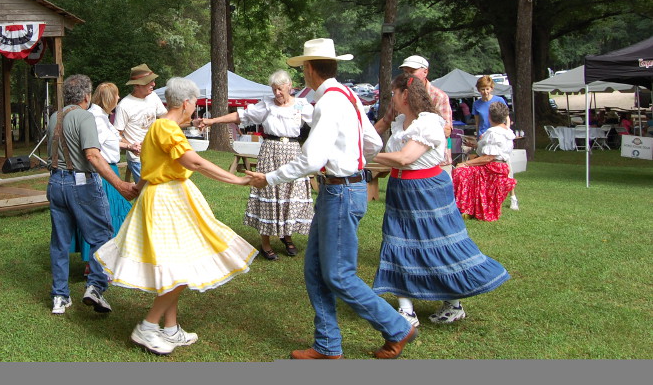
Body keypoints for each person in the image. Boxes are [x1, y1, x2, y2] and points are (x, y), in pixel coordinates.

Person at [246, 38, 417, 360]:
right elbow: (369, 141)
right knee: (314, 270)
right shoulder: (349, 95)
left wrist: (267, 177)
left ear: (310, 69)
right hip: (341, 189)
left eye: (302, 70)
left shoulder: (327, 102)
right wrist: (353, 166)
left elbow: (310, 160)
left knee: (338, 274)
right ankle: (327, 345)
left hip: (339, 191)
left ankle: (397, 327)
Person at [95, 77, 255, 356]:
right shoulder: (167, 128)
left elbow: (149, 166)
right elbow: (193, 161)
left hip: (170, 197)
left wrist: (137, 187)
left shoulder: (160, 127)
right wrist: (238, 180)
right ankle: (148, 326)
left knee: (179, 263)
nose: (195, 107)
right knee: (178, 267)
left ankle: (169, 328)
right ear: (186, 103)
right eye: (194, 102)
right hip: (167, 201)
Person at [373, 73, 510, 328]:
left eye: (394, 93)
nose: (392, 97)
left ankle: (454, 303)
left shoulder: (428, 123)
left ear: (406, 94)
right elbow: (397, 160)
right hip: (400, 188)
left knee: (437, 244)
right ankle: (406, 310)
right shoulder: (401, 122)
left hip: (427, 189)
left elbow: (405, 157)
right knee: (397, 241)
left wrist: (367, 157)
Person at [47, 74, 140, 316]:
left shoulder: (55, 117)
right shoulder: (85, 117)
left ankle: (59, 296)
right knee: (102, 235)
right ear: (87, 96)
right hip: (81, 183)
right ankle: (96, 286)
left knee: (60, 241)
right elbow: (92, 155)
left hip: (55, 182)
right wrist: (119, 184)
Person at [198, 69, 314, 260]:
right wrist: (212, 120)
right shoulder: (266, 105)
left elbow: (319, 122)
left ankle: (286, 235)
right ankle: (266, 241)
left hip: (293, 152)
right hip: (271, 150)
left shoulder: (302, 105)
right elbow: (239, 117)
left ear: (289, 87)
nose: (276, 93)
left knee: (290, 194)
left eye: (280, 89)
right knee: (267, 192)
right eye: (273, 89)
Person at [71, 83, 136, 273]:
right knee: (106, 217)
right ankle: (95, 264)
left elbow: (112, 139)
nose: (119, 98)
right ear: (109, 98)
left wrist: (130, 146)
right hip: (103, 173)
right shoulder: (97, 119)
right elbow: (93, 149)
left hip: (110, 169)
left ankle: (106, 261)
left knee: (115, 215)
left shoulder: (103, 118)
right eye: (116, 95)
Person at [375, 55, 453, 167]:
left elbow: (446, 130)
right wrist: (363, 140)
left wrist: (418, 135)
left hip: (435, 165)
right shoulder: (399, 97)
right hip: (406, 168)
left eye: (412, 71)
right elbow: (385, 122)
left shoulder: (439, 96)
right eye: (405, 72)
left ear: (425, 72)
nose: (408, 75)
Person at [452, 101, 518, 220]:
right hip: (500, 168)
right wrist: (476, 145)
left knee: (460, 171)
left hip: (492, 169)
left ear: (489, 116)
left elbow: (489, 157)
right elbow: (493, 151)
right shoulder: (507, 131)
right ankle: (468, 207)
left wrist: (465, 163)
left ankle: (465, 208)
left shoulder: (493, 132)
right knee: (466, 170)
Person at [114, 63, 167, 182]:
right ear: (137, 84)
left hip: (157, 154)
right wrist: (132, 147)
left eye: (153, 81)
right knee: (149, 192)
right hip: (138, 160)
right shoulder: (124, 105)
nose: (153, 84)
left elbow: (166, 119)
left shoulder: (153, 97)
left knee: (161, 191)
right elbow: (116, 134)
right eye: (149, 81)